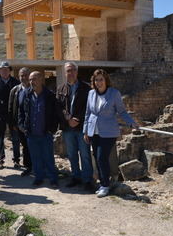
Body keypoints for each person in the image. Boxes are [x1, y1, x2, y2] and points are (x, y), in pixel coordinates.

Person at [83, 69, 138, 198]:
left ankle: (105, 185)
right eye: (96, 80)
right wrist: (85, 130)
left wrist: (131, 123)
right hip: (93, 131)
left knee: (102, 157)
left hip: (108, 132)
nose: (99, 82)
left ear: (106, 80)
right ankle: (103, 184)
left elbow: (122, 111)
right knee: (97, 158)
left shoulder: (114, 93)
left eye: (101, 79)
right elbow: (88, 113)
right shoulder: (91, 93)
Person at [56, 62, 94, 191]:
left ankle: (87, 180)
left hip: (81, 128)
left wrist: (77, 119)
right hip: (67, 128)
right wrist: (67, 118)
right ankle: (75, 177)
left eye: (72, 70)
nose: (70, 73)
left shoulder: (86, 88)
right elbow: (59, 107)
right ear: (64, 73)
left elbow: (88, 107)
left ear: (77, 72)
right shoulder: (60, 89)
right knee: (72, 154)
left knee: (85, 154)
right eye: (68, 71)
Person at [19, 71, 60, 187]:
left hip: (45, 133)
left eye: (35, 79)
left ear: (41, 80)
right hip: (31, 133)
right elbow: (21, 111)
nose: (32, 82)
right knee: (35, 157)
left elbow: (55, 114)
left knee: (48, 157)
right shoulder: (27, 94)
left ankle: (53, 179)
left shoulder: (49, 95)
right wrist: (22, 125)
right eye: (31, 79)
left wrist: (52, 129)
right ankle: (39, 177)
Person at [0, 61, 20, 169]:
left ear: (10, 71)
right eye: (2, 69)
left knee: (16, 137)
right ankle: (0, 160)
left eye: (7, 69)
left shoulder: (16, 83)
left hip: (13, 115)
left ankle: (16, 160)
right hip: (0, 114)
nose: (4, 71)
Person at [9, 67, 32, 176]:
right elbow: (11, 108)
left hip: (33, 124)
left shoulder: (35, 88)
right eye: (21, 75)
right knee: (25, 146)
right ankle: (28, 167)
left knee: (33, 145)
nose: (23, 77)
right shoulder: (15, 90)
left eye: (25, 75)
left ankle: (37, 166)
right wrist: (13, 124)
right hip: (20, 124)